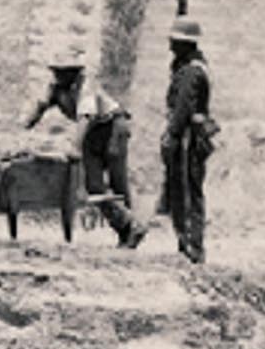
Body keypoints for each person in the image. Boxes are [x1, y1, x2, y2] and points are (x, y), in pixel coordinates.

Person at [24, 57, 146, 247]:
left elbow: (85, 118)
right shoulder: (55, 89)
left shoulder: (85, 88)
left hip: (112, 127)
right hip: (92, 131)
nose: (58, 76)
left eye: (63, 72)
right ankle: (125, 225)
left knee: (118, 181)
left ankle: (131, 230)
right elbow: (40, 108)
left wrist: (75, 148)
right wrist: (28, 123)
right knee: (93, 185)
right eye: (56, 72)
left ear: (74, 73)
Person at [159, 17, 215, 263]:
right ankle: (187, 244)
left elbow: (183, 107)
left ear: (185, 44)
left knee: (187, 190)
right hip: (186, 135)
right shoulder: (191, 67)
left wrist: (172, 134)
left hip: (188, 138)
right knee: (183, 189)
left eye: (175, 41)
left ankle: (193, 246)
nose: (170, 45)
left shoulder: (191, 72)